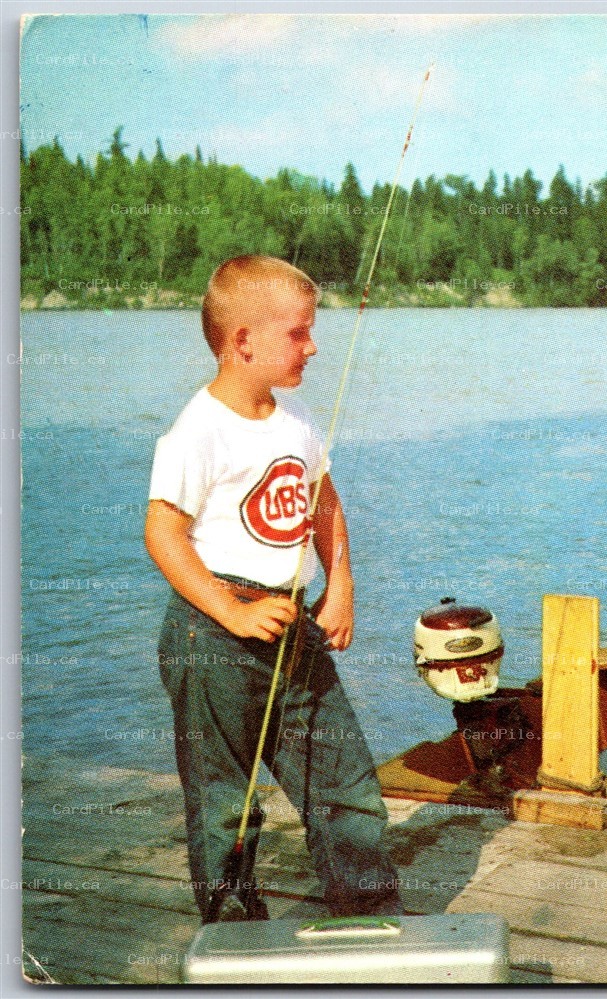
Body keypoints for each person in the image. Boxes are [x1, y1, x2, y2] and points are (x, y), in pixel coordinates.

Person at [145, 255, 401, 922]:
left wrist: (340, 580)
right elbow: (163, 534)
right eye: (298, 333)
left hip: (294, 630)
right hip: (214, 634)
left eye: (311, 331)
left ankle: (369, 914)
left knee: (346, 786)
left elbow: (324, 503)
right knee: (225, 802)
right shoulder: (197, 429)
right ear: (243, 341)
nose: (313, 346)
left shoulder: (298, 420)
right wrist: (230, 609)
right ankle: (233, 936)